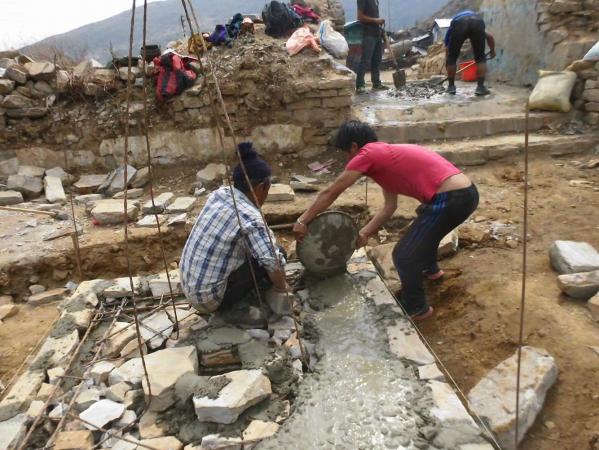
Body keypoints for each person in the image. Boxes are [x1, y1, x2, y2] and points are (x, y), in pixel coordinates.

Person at [293, 121, 479, 321]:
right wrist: (364, 233)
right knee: (425, 233)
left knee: (404, 256)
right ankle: (431, 272)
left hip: (451, 198)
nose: (348, 159)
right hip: (464, 194)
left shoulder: (367, 154)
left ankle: (417, 308)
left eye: (347, 153)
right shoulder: (385, 158)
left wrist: (303, 220)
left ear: (354, 146)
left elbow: (331, 192)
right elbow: (389, 207)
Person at [180, 142, 288, 314]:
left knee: (256, 249)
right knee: (278, 254)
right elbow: (273, 262)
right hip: (210, 300)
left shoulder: (220, 194)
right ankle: (239, 310)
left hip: (190, 288)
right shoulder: (250, 218)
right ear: (262, 187)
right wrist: (283, 290)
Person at [444, 10, 496, 96]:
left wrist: (448, 60)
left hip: (459, 23)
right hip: (477, 22)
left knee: (452, 58)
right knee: (480, 57)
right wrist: (492, 51)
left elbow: (447, 48)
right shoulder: (476, 18)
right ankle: (480, 87)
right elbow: (490, 37)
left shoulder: (453, 25)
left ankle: (451, 87)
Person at [356, 0, 388, 94]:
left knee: (377, 60)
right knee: (365, 60)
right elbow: (360, 17)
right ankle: (360, 85)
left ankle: (376, 83)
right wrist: (376, 20)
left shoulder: (375, 1)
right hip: (368, 34)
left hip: (377, 33)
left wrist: (380, 28)